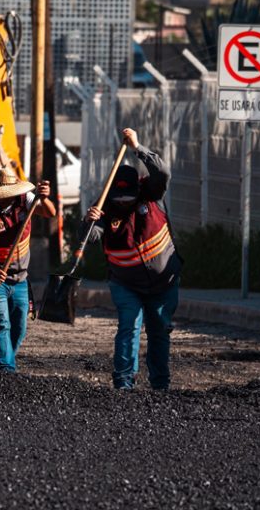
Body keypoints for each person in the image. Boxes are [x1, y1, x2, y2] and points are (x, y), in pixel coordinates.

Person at [82, 128, 182, 390]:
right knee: (129, 327)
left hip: (163, 282)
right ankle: (124, 382)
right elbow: (91, 237)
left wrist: (138, 147)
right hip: (125, 282)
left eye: (129, 199)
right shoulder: (104, 205)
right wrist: (89, 223)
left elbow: (163, 173)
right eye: (120, 200)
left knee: (160, 331)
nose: (124, 204)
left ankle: (161, 384)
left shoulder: (152, 194)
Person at [0, 166, 57, 373]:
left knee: (19, 326)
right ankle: (5, 369)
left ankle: (1, 362)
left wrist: (43, 198)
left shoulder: (25, 199)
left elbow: (50, 212)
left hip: (19, 277)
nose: (3, 199)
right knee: (0, 321)